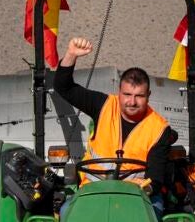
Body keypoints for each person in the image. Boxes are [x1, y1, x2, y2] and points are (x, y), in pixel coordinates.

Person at [54, 37, 177, 220]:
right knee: (66, 213)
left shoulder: (159, 130)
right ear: (118, 92)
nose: (132, 102)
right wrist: (71, 54)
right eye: (127, 94)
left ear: (148, 96)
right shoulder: (102, 105)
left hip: (137, 196)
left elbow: (156, 178)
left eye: (139, 96)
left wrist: (146, 187)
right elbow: (63, 87)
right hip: (93, 190)